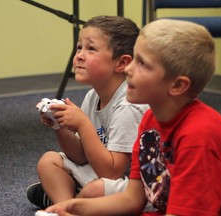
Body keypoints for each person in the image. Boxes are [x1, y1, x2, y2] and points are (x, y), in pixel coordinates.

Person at [44, 19, 221, 215]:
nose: (128, 69)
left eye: (142, 64)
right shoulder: (150, 122)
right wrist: (75, 207)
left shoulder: (199, 136)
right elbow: (132, 199)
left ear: (177, 85)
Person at [27, 15, 148, 209]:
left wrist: (82, 124)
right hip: (99, 172)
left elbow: (112, 173)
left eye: (91, 48)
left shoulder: (128, 105)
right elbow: (80, 156)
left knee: (94, 190)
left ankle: (71, 202)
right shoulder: (93, 96)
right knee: (48, 161)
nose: (79, 56)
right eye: (79, 47)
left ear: (121, 63)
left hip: (129, 186)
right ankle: (68, 205)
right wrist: (60, 125)